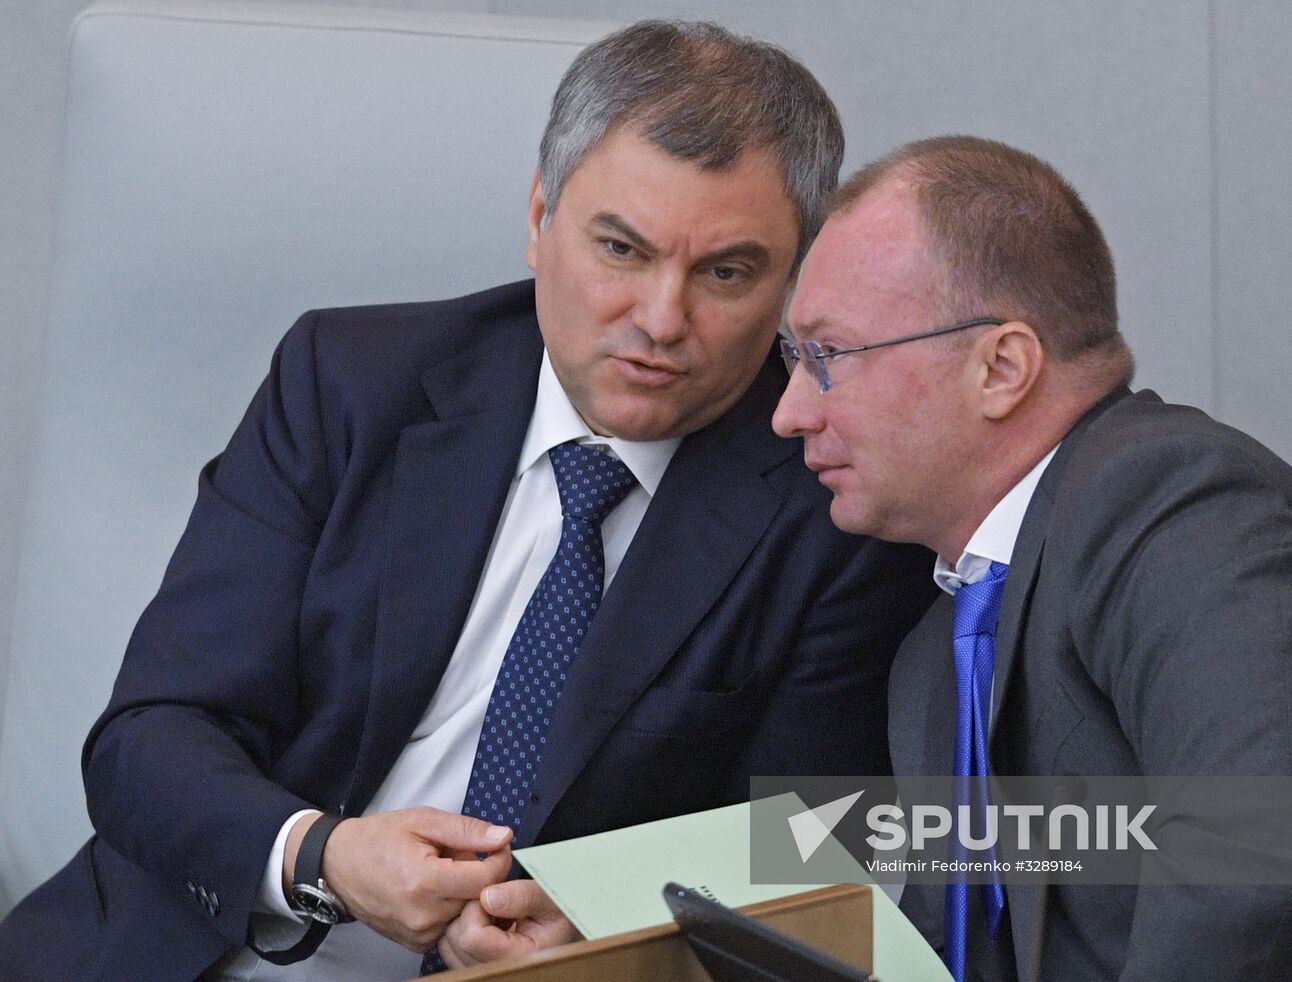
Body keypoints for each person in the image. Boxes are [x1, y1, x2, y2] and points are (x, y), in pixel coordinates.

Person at [0, 22, 935, 981]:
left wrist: (611, 916)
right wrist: (324, 857)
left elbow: (819, 851)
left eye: (726, 273)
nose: (661, 320)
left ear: (798, 278)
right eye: (620, 249)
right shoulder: (349, 387)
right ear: (539, 218)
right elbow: (148, 741)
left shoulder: (836, 506)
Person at [773, 135, 1292, 980]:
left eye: (826, 356)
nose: (790, 412)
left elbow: (1253, 855)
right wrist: (608, 919)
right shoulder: (939, 651)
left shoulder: (1169, 501)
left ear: (1001, 367)